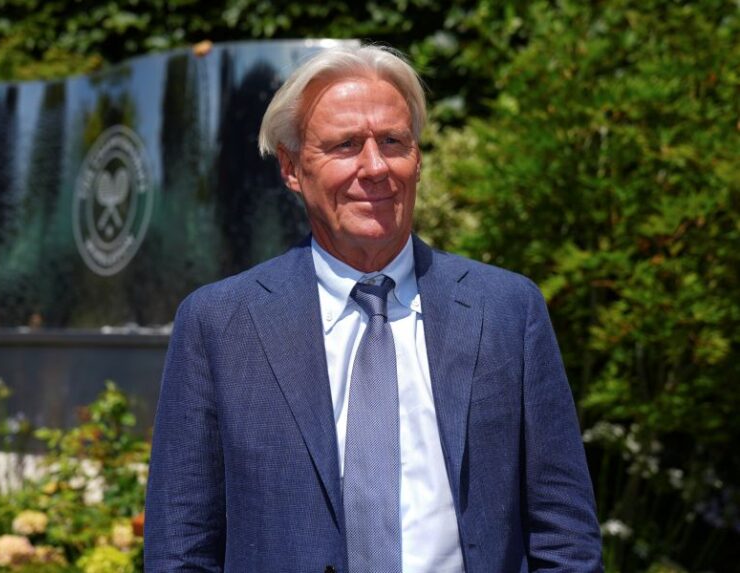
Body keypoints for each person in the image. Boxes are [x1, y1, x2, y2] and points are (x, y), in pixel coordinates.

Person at [144, 44, 603, 573]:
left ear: (417, 157)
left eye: (393, 141)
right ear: (292, 169)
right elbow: (180, 547)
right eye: (344, 146)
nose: (375, 166)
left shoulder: (505, 310)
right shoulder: (220, 324)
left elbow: (564, 532)